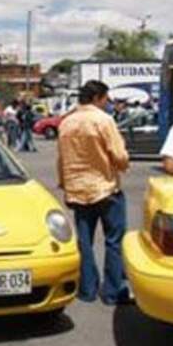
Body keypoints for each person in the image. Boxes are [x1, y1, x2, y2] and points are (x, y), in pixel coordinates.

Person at [57, 80, 132, 305]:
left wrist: (65, 184)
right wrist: (123, 165)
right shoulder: (103, 120)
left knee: (84, 241)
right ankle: (112, 291)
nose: (107, 103)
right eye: (106, 99)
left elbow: (61, 159)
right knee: (114, 240)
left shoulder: (66, 122)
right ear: (98, 98)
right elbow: (119, 155)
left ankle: (87, 289)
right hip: (105, 188)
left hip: (78, 189)